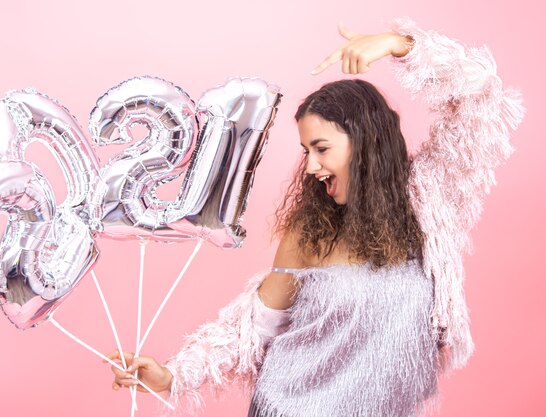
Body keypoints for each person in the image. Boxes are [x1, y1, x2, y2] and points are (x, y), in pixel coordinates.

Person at [105, 18, 524, 417]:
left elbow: (482, 95)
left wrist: (401, 45)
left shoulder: (431, 201)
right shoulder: (311, 232)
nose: (310, 167)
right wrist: (173, 375)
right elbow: (253, 328)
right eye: (307, 151)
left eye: (321, 148)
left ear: (367, 141)